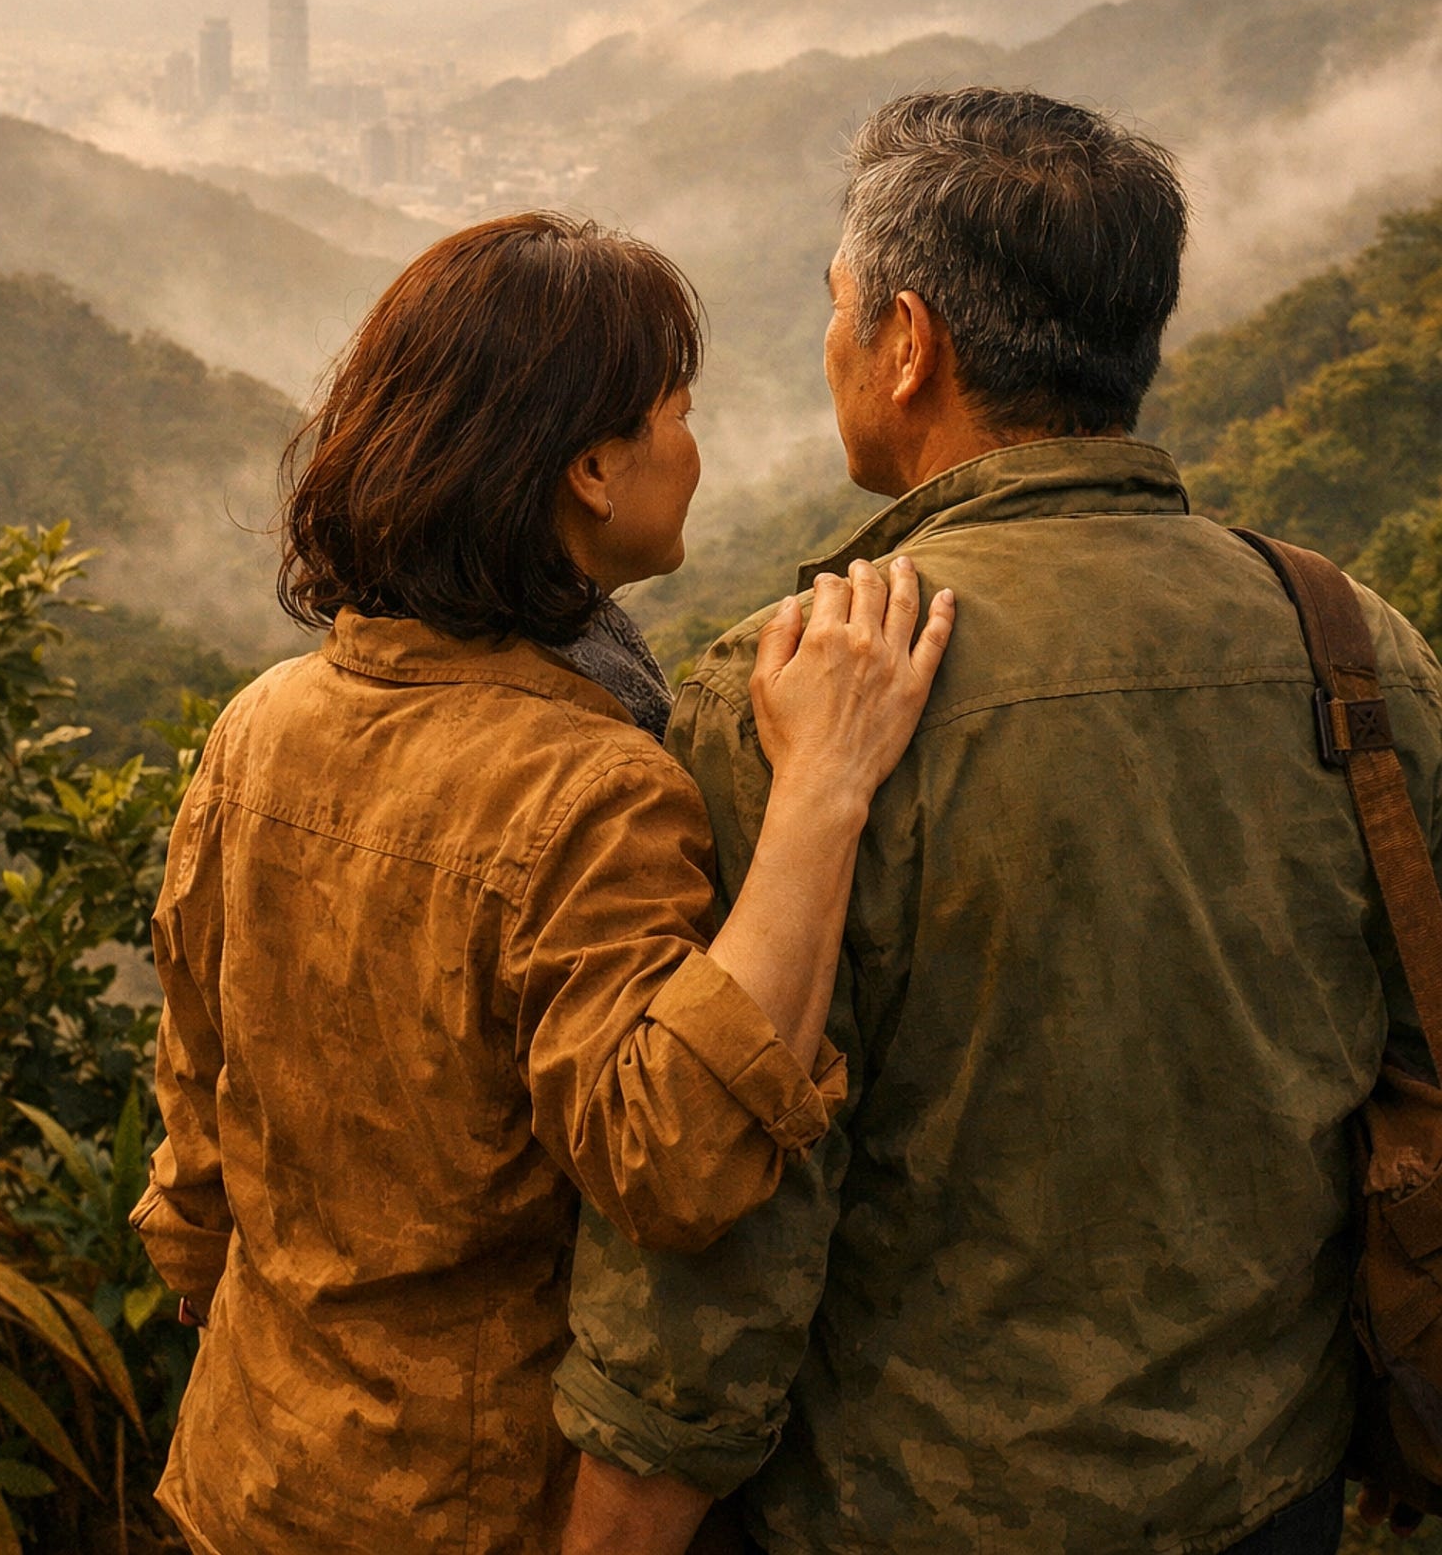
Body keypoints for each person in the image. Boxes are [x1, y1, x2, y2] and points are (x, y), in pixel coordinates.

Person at [555, 88, 1442, 1555]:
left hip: (913, 1509)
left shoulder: (794, 693)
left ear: (909, 344)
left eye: (840, 309)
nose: (831, 343)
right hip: (1273, 1493)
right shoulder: (1355, 644)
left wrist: (624, 1511)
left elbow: (737, 1209)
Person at [130, 213, 953, 1555]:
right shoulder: (590, 785)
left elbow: (199, 1094)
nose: (695, 450)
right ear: (588, 467)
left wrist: (206, 1267)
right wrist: (822, 790)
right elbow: (677, 1164)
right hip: (463, 1503)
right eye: (677, 414)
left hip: (247, 1466)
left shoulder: (263, 722)